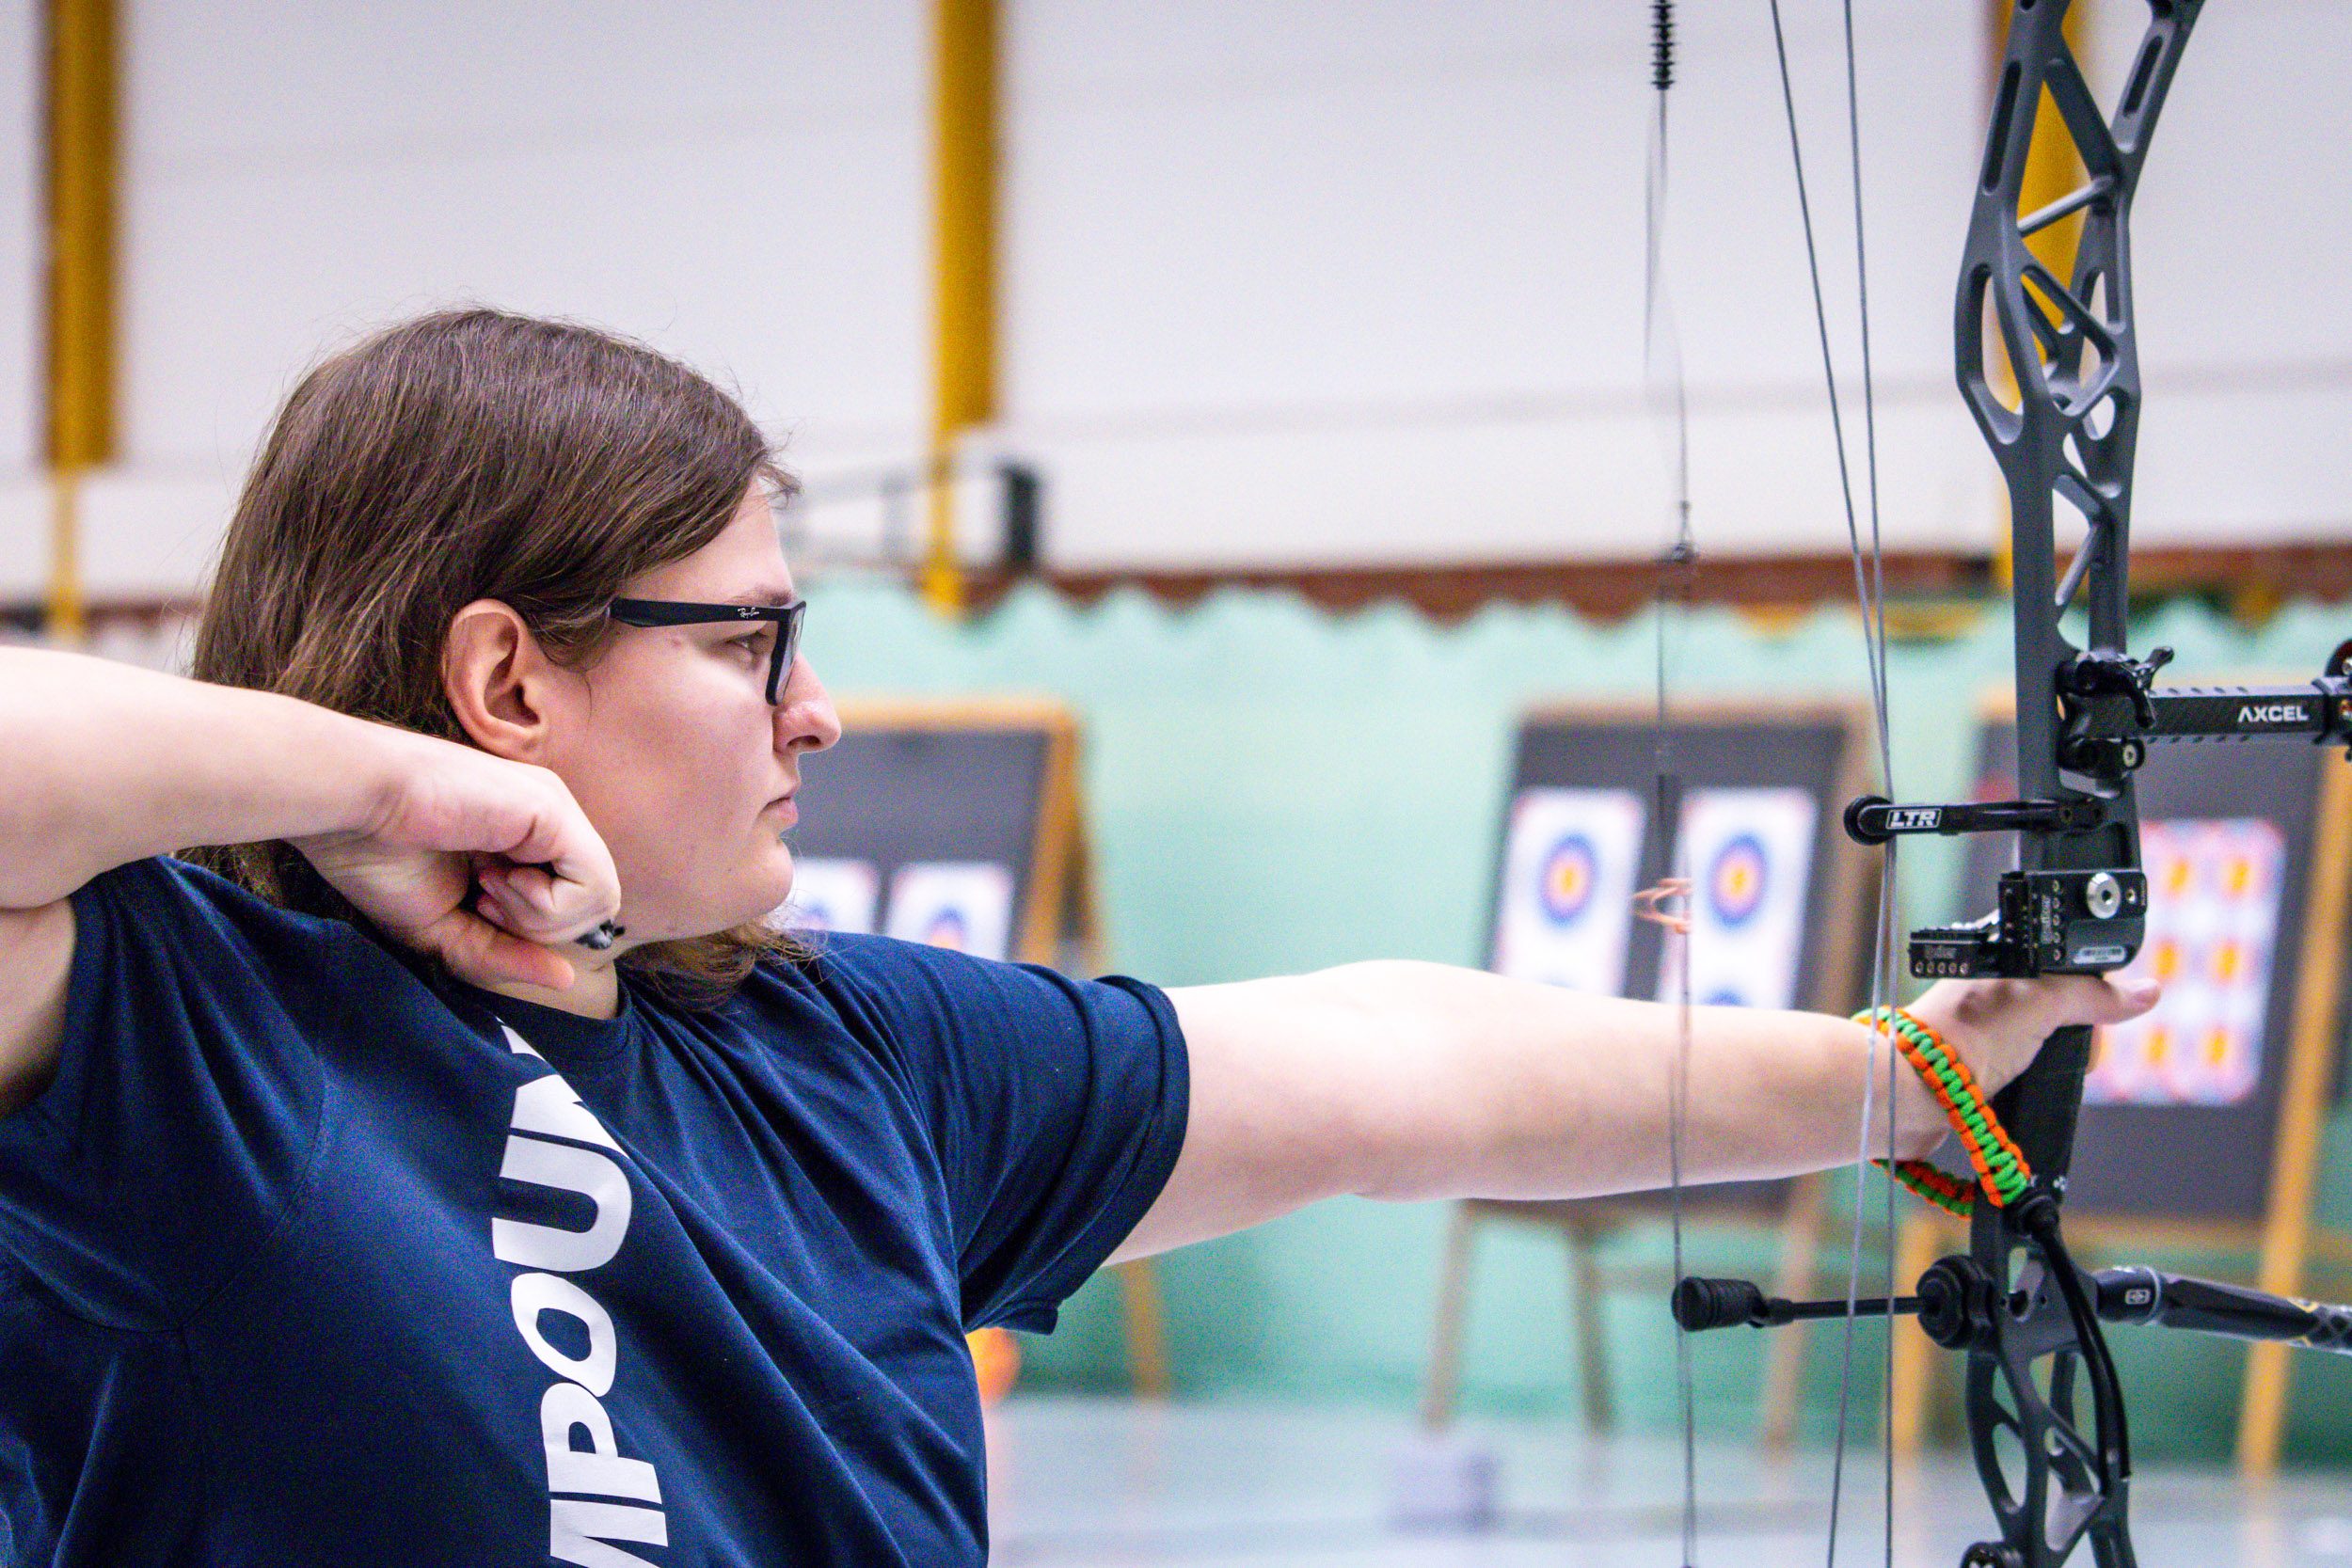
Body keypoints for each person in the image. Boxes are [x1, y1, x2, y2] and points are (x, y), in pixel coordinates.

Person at [0, 309, 2155, 1566]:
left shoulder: (849, 1058)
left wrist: (1899, 1078)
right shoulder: (169, 1033)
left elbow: (1391, 1069)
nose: (814, 713)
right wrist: (382, 792)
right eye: (748, 642)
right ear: (505, 681)